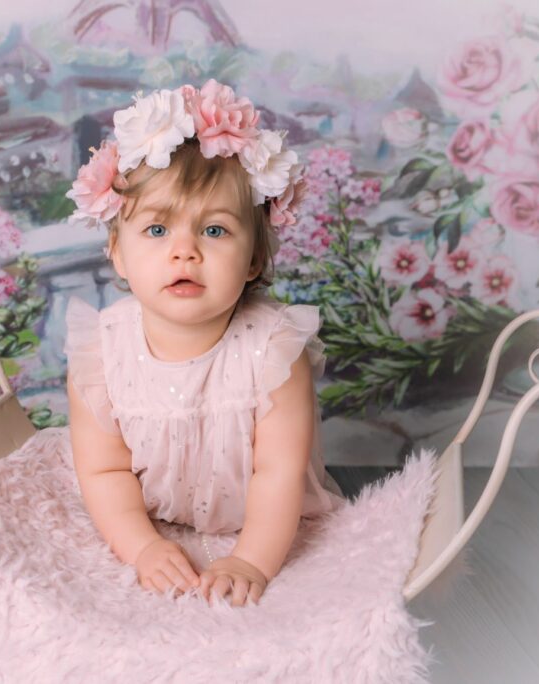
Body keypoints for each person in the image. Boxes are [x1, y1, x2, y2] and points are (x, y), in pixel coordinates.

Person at [62, 79, 346, 609]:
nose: (184, 252)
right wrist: (144, 547)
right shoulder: (103, 354)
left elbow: (278, 470)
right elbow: (104, 470)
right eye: (156, 231)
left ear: (255, 259)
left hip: (259, 517)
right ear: (118, 254)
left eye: (214, 232)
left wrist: (251, 560)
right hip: (153, 513)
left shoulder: (273, 351)